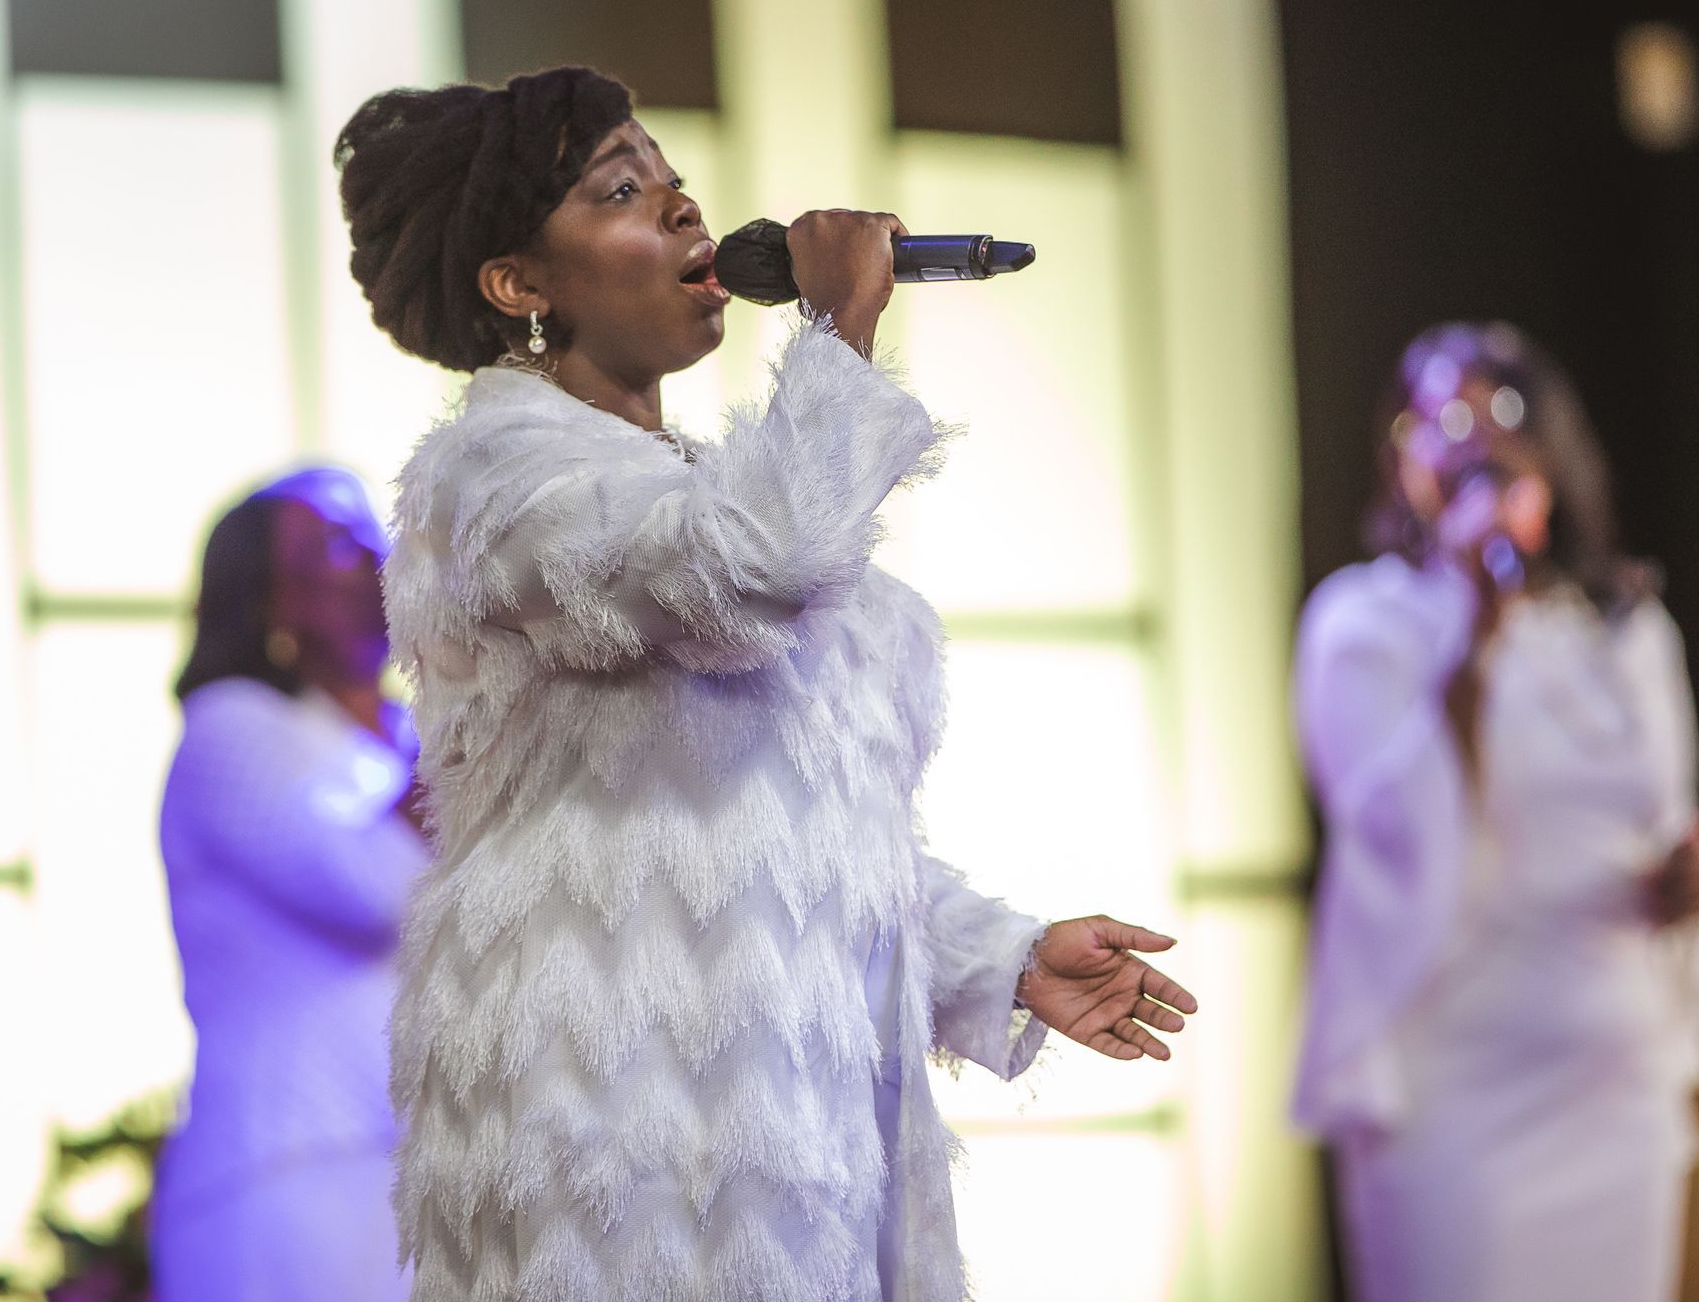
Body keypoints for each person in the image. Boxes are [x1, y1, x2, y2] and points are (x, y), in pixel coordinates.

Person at [333, 65, 1198, 1302]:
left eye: (677, 182)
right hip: (614, 1134)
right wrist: (839, 329)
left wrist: (999, 959)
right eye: (622, 190)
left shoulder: (697, 477)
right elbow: (745, 567)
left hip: (794, 1137)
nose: (685, 211)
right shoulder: (497, 476)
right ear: (520, 285)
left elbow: (799, 837)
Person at [1291, 322, 1699, 1302]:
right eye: (1435, 420)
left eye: (1499, 417)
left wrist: (1698, 878)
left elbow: (1666, 819)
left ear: (1547, 457)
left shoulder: (1623, 629)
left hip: (1613, 1090)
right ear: (1395, 458)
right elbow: (1393, 843)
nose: (1469, 444)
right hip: (1455, 1093)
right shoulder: (1361, 624)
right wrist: (1473, 637)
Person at [154, 468, 430, 1302]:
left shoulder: (405, 739)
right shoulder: (230, 730)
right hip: (294, 1164)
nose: (380, 555)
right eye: (340, 543)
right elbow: (379, 887)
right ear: (270, 599)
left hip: (425, 1155)